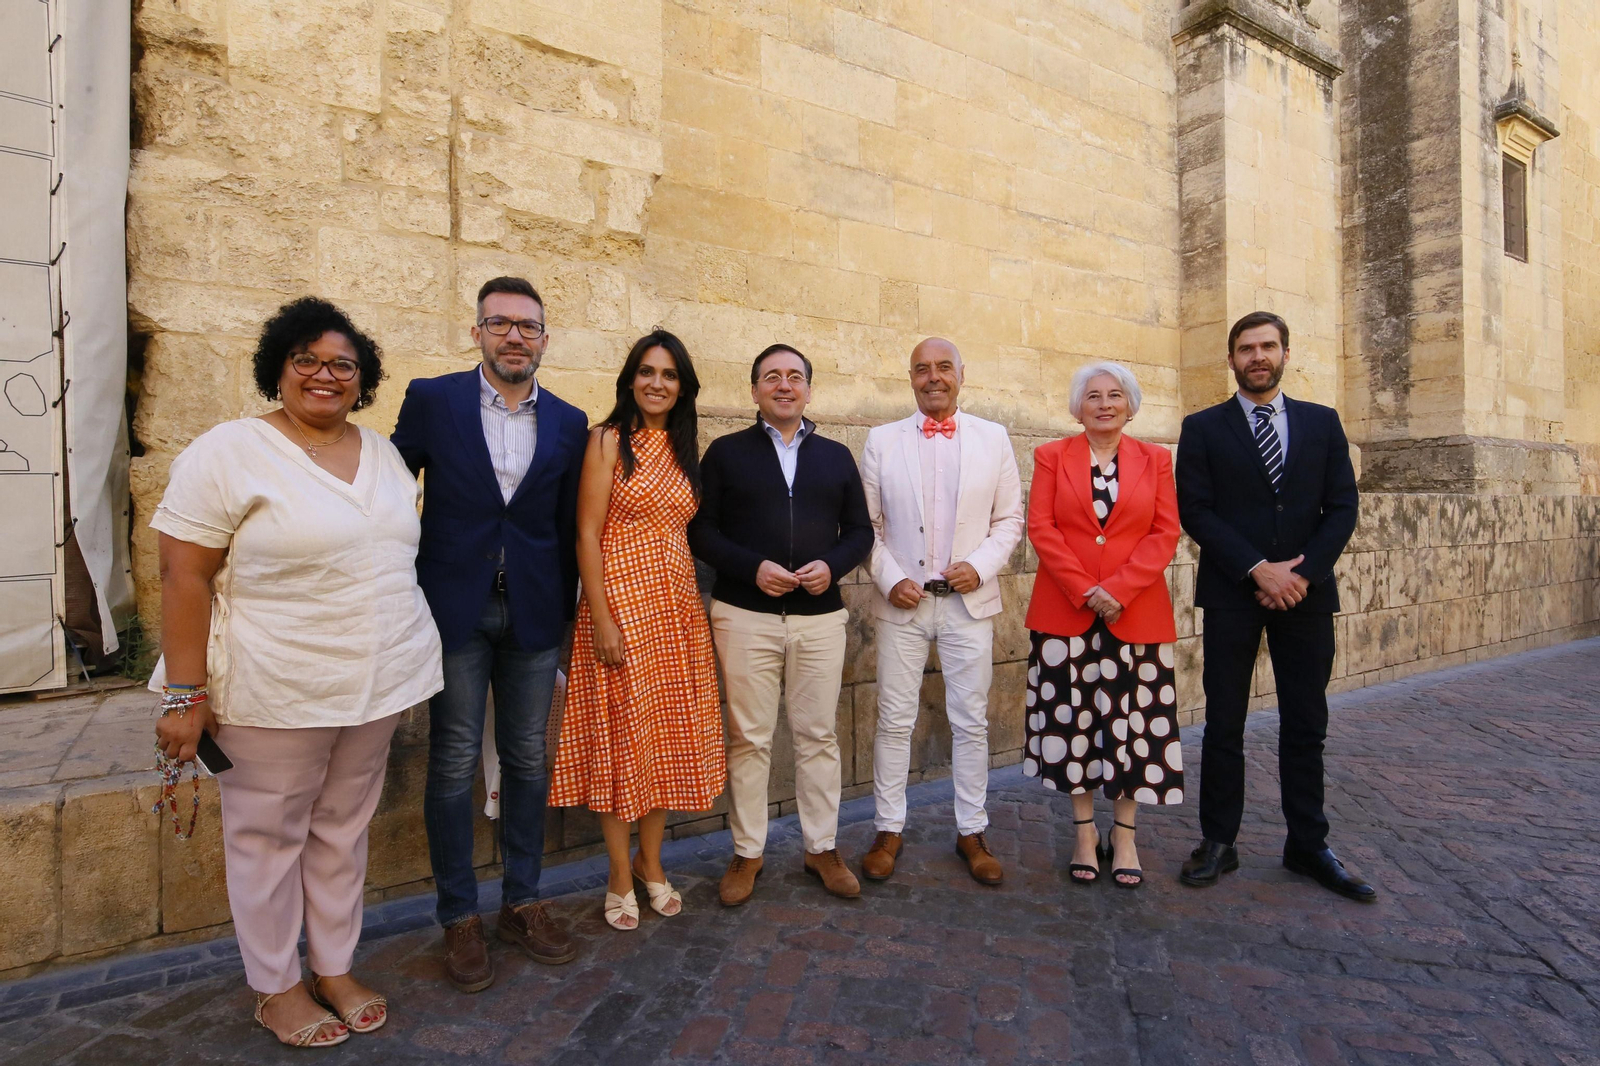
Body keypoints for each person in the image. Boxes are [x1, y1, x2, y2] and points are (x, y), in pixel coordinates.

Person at [151, 297, 442, 1047]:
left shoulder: (381, 453)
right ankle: (276, 985)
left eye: (343, 364)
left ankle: (335, 967)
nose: (324, 375)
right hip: (273, 688)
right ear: (277, 368)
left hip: (377, 684)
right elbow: (183, 575)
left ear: (362, 379)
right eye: (305, 359)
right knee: (267, 841)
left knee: (342, 831)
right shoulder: (228, 452)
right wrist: (184, 694)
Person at [391, 277, 589, 992]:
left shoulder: (569, 421)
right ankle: (458, 916)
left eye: (528, 326)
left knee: (529, 758)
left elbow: (567, 524)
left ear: (544, 340)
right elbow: (389, 491)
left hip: (532, 612)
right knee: (452, 761)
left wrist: (568, 615)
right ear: (476, 332)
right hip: (454, 610)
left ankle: (522, 902)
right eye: (500, 323)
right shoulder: (433, 400)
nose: (514, 336)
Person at [1175, 311, 1373, 902]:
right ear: (1231, 359)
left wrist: (1302, 573)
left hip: (1307, 596)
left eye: (1267, 346)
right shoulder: (1202, 427)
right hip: (1233, 593)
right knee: (1224, 724)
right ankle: (1219, 841)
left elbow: (1342, 506)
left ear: (1286, 353)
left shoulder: (1322, 422)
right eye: (1246, 348)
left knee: (1306, 724)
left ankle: (1308, 844)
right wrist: (1258, 568)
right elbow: (1196, 509)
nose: (1257, 357)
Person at [549, 330, 727, 930]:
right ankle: (619, 872)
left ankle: (652, 863)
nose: (657, 383)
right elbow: (586, 533)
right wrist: (600, 618)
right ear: (630, 379)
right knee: (620, 739)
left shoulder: (683, 447)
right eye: (647, 372)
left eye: (669, 374)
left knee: (663, 739)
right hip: (620, 606)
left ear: (683, 387)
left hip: (675, 610)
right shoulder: (607, 440)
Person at [687, 344, 873, 905]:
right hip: (744, 616)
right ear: (754, 390)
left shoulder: (836, 456)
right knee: (749, 738)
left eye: (795, 376)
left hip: (820, 618)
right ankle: (747, 852)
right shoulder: (725, 452)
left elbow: (859, 532)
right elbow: (702, 531)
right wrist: (752, 567)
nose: (784, 385)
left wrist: (832, 566)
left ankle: (822, 847)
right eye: (772, 376)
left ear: (809, 391)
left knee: (818, 735)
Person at [858, 338, 1024, 886]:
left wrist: (979, 566)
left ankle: (971, 830)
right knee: (893, 720)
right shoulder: (882, 441)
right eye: (923, 368)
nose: (934, 377)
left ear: (961, 374)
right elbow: (867, 526)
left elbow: (1009, 520)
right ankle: (888, 828)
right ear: (911, 377)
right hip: (902, 604)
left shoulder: (993, 438)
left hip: (966, 605)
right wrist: (890, 579)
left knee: (971, 720)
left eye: (944, 367)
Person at [1023, 361, 1182, 889]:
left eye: (1115, 395)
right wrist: (1085, 590)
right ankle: (1085, 833)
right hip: (1065, 613)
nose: (1105, 404)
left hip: (1136, 613)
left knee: (1132, 726)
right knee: (1074, 725)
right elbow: (1042, 528)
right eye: (1093, 396)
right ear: (1078, 407)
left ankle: (1126, 834)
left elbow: (1164, 532)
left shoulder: (1156, 459)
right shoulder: (1052, 456)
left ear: (1130, 406)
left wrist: (1119, 590)